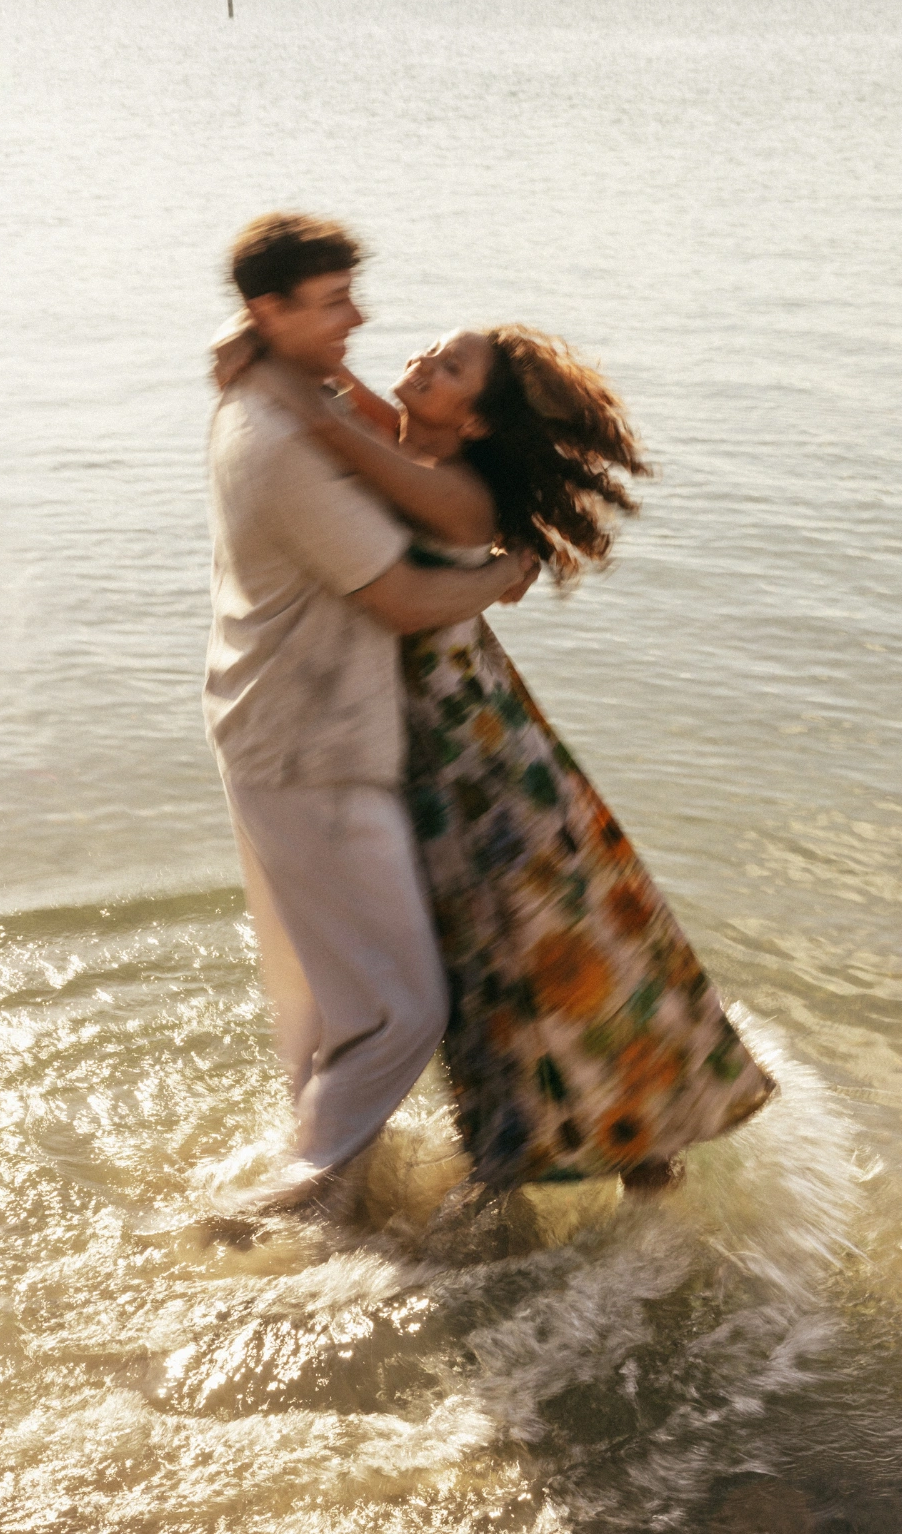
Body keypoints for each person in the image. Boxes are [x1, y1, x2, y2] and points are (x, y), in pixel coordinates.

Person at [299, 326, 776, 1193]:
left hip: (471, 760)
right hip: (455, 744)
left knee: (519, 957)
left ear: (476, 423)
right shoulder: (419, 447)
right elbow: (359, 413)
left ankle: (597, 1159)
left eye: (448, 370)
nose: (418, 364)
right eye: (430, 354)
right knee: (510, 957)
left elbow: (334, 430)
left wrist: (276, 364)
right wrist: (315, 364)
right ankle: (586, 1156)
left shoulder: (454, 495)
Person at [204, 215, 538, 1210]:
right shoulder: (281, 435)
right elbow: (392, 597)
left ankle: (333, 1210)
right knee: (402, 1011)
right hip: (314, 751)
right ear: (271, 309)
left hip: (275, 730)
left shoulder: (278, 385)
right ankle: (285, 1203)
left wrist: (254, 347)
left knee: (330, 1009)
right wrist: (503, 575)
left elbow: (387, 456)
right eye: (334, 300)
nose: (362, 319)